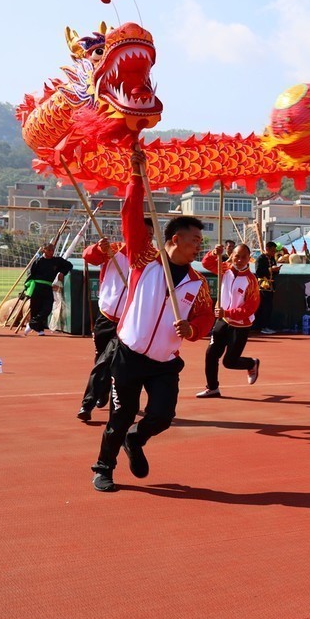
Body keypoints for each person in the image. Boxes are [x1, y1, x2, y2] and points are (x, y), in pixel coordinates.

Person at [90, 155, 215, 493]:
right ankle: (104, 468)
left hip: (164, 363)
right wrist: (134, 175)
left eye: (199, 243)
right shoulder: (144, 259)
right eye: (193, 241)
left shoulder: (197, 284)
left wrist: (193, 330)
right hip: (128, 356)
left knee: (161, 416)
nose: (197, 247)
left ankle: (137, 440)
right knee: (120, 416)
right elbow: (131, 215)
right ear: (172, 239)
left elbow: (206, 317)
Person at [78, 222, 148, 421]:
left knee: (114, 364)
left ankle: (87, 404)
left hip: (129, 322)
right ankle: (103, 391)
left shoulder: (151, 260)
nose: (145, 238)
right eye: (142, 233)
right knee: (101, 359)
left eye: (149, 235)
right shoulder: (113, 250)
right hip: (106, 318)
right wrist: (99, 248)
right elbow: (89, 256)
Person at [196, 243, 261, 398]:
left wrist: (229, 312)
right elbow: (207, 263)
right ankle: (212, 388)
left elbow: (250, 308)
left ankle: (251, 363)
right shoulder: (224, 269)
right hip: (222, 320)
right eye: (237, 256)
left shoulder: (251, 281)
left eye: (243, 257)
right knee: (211, 354)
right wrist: (214, 252)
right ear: (232, 255)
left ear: (248, 259)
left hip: (240, 325)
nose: (239, 260)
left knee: (230, 362)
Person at [22, 242, 73, 335]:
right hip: (36, 286)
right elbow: (30, 274)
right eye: (49, 250)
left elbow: (69, 265)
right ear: (43, 250)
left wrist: (62, 272)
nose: (51, 252)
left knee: (48, 308)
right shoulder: (38, 261)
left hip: (48, 286)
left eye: (53, 250)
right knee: (35, 308)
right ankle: (39, 329)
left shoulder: (57, 260)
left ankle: (31, 324)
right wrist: (27, 287)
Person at [253, 241, 281, 335]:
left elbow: (274, 273)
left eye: (274, 251)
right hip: (262, 286)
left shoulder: (272, 258)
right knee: (264, 307)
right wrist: (270, 269)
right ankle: (262, 326)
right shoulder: (260, 258)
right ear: (267, 249)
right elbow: (258, 272)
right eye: (272, 251)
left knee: (268, 307)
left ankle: (264, 326)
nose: (274, 253)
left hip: (271, 286)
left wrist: (276, 270)